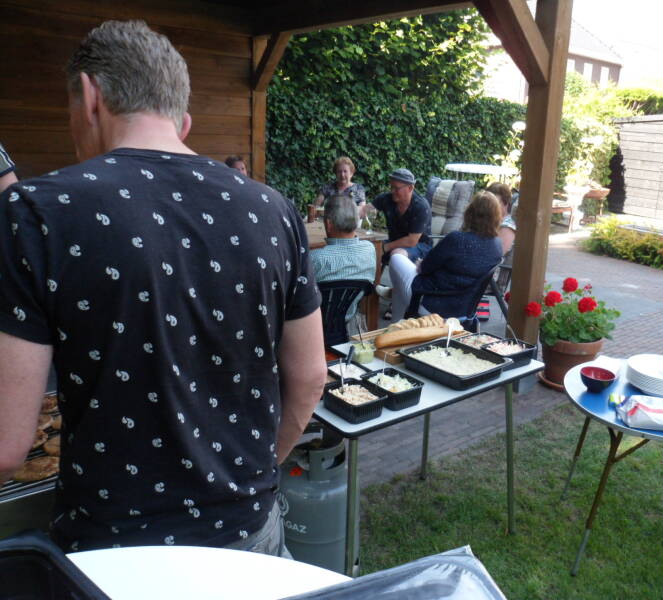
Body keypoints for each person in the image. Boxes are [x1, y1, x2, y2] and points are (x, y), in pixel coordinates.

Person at [0, 20, 326, 555]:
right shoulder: (274, 210)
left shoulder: (36, 211)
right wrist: (249, 478)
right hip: (250, 531)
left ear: (90, 96)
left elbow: (7, 445)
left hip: (115, 551)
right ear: (182, 121)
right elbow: (310, 378)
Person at [386, 191, 503, 322]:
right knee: (401, 284)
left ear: (470, 213)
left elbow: (424, 268)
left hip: (431, 304)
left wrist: (421, 264)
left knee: (396, 257)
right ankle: (395, 299)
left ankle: (395, 319)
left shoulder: (456, 239)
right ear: (496, 217)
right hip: (464, 311)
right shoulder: (497, 245)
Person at [310, 194, 376, 322]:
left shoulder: (315, 259)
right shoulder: (369, 249)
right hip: (347, 321)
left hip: (316, 324)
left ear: (328, 224)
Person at [364, 168, 432, 266]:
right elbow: (364, 210)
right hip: (394, 241)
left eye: (396, 188)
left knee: (397, 255)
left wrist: (385, 247)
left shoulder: (421, 206)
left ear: (410, 188)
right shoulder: (386, 199)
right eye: (391, 187)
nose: (392, 191)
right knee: (366, 248)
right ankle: (373, 276)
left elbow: (412, 241)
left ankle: (408, 277)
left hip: (420, 246)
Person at [487, 182, 516, 257]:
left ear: (506, 203)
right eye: (488, 202)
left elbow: (495, 256)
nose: (490, 206)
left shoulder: (507, 227)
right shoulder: (489, 221)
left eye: (495, 203)